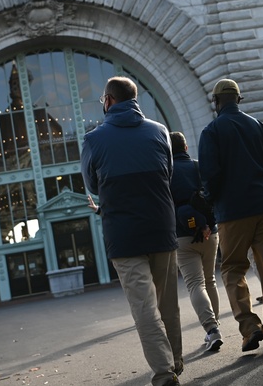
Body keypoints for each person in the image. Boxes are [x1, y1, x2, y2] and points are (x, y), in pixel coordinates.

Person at [80, 76, 182, 386]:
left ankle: (164, 373)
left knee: (143, 306)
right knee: (168, 302)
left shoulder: (94, 140)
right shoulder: (159, 131)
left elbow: (92, 185)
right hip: (161, 225)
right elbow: (168, 173)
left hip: (123, 233)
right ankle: (175, 360)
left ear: (108, 101)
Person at [198, 78, 263, 354]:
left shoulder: (212, 131)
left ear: (216, 102)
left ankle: (249, 327)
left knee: (233, 268)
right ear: (239, 99)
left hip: (232, 212)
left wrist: (212, 201)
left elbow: (210, 175)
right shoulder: (258, 126)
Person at [168, 131, 223, 352]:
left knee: (195, 284)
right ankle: (215, 325)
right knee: (210, 280)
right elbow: (213, 196)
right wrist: (209, 223)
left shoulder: (167, 173)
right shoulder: (199, 167)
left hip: (181, 235)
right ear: (186, 148)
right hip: (209, 233)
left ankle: (211, 329)